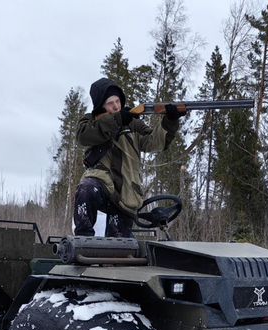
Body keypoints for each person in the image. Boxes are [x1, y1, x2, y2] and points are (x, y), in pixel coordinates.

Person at [73, 77, 185, 237]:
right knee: (86, 189)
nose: (116, 106)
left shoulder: (133, 123)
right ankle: (82, 241)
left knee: (119, 245)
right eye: (110, 103)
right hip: (101, 183)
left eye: (117, 101)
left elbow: (154, 142)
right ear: (100, 106)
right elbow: (83, 136)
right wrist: (117, 121)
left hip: (126, 191)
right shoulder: (89, 121)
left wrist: (170, 121)